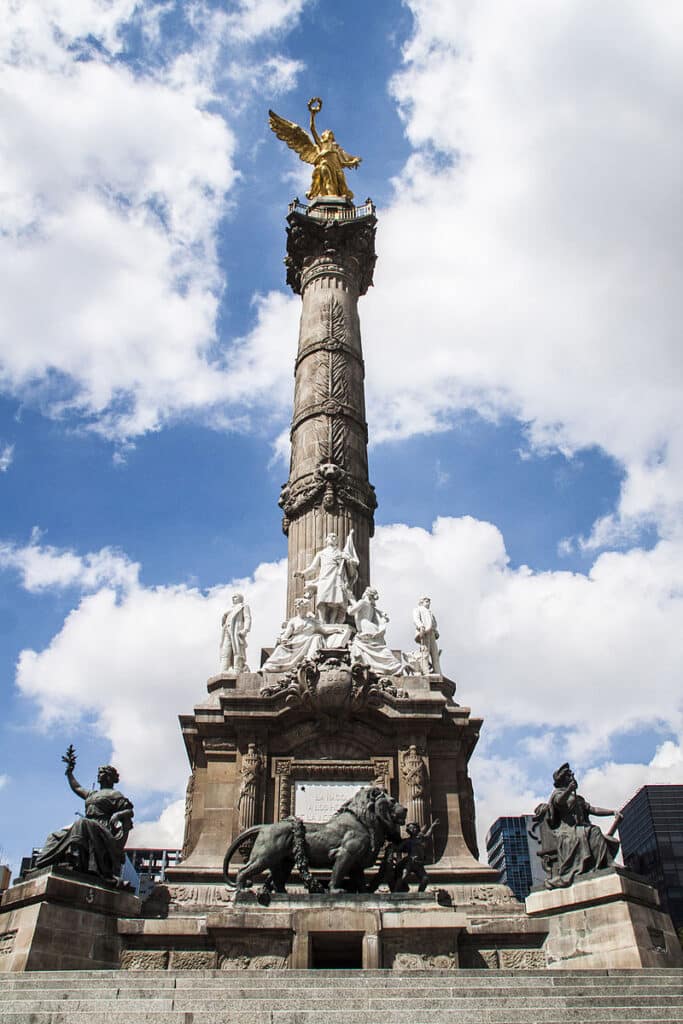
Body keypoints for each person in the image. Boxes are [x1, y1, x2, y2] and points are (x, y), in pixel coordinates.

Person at [35, 746, 134, 881]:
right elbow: (76, 787)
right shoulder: (92, 794)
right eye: (99, 773)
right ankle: (42, 864)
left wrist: (118, 815)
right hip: (87, 827)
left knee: (82, 823)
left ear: (109, 777)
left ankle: (75, 860)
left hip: (102, 829)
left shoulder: (115, 795)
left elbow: (129, 811)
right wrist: (69, 773)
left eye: (102, 773)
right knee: (54, 836)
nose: (99, 775)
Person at [532, 763, 622, 889]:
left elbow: (593, 809)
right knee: (593, 831)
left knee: (594, 831)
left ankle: (606, 862)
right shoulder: (558, 794)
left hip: (581, 828)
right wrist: (569, 789)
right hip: (567, 831)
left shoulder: (578, 798)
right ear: (563, 778)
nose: (573, 776)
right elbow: (559, 802)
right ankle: (604, 861)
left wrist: (612, 812)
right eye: (569, 775)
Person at [293, 532, 359, 624]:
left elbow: (351, 566)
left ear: (337, 541)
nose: (332, 538)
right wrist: (302, 573)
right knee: (321, 600)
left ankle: (332, 622)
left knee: (336, 602)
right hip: (324, 578)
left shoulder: (341, 554)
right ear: (326, 540)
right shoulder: (321, 553)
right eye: (330, 536)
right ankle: (322, 620)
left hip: (337, 578)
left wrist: (349, 560)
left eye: (335, 537)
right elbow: (313, 568)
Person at [262, 597, 336, 673]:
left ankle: (310, 660)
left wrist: (337, 629)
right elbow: (286, 634)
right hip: (296, 642)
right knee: (280, 648)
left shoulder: (312, 621)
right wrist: (283, 639)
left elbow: (324, 630)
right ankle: (269, 667)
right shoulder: (293, 621)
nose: (305, 609)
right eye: (304, 607)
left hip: (309, 641)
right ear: (298, 608)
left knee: (317, 637)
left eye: (306, 607)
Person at [348, 587, 402, 675]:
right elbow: (360, 612)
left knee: (373, 648)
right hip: (371, 627)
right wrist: (352, 599)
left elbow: (351, 612)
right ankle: (388, 666)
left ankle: (394, 666)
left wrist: (349, 605)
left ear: (366, 593)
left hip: (365, 628)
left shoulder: (362, 602)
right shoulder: (370, 606)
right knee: (377, 649)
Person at [393, 819, 439, 892]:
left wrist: (432, 826)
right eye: (411, 828)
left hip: (419, 864)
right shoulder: (407, 841)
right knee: (403, 876)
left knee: (425, 879)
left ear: (417, 829)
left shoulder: (421, 839)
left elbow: (427, 835)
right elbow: (398, 848)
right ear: (408, 830)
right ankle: (395, 892)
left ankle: (420, 893)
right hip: (410, 862)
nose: (413, 829)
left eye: (414, 828)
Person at [220, 593, 252, 673]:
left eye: (235, 597)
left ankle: (237, 669)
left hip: (236, 631)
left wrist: (245, 629)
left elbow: (247, 618)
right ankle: (224, 669)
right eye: (232, 597)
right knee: (225, 650)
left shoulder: (243, 606)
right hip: (227, 631)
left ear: (240, 598)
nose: (233, 598)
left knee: (237, 650)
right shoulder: (230, 610)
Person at [413, 596, 441, 675]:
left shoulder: (430, 612)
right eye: (426, 601)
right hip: (424, 632)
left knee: (435, 653)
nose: (428, 603)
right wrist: (421, 627)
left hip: (431, 633)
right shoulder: (417, 609)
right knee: (425, 653)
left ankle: (437, 671)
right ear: (422, 602)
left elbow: (434, 623)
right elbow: (416, 619)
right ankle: (425, 671)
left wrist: (435, 630)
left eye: (429, 601)